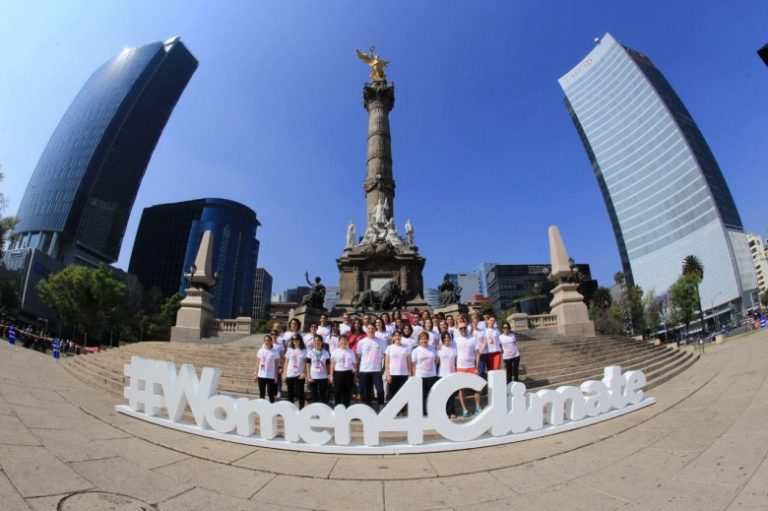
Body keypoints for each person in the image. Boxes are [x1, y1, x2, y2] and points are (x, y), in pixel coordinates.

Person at [454, 316, 482, 416]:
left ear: (467, 328)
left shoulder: (473, 339)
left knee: (477, 387)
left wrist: (477, 366)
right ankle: (464, 410)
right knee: (461, 389)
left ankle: (478, 407)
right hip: (460, 367)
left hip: (471, 367)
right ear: (458, 329)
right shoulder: (456, 340)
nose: (463, 329)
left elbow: (478, 353)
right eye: (461, 328)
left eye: (464, 327)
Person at [357, 325, 385, 409]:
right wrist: (357, 369)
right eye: (369, 328)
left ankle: (381, 406)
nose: (371, 330)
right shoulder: (362, 342)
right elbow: (358, 356)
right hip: (364, 370)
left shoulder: (381, 341)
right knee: (366, 392)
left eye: (372, 328)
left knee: (380, 390)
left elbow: (385, 355)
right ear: (366, 330)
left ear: (375, 330)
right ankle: (368, 409)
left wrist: (384, 368)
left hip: (376, 370)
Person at [411, 331, 438, 413]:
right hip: (420, 375)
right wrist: (414, 376)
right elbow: (413, 365)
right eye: (422, 339)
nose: (424, 340)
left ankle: (431, 411)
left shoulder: (433, 349)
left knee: (431, 394)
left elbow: (436, 360)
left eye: (425, 339)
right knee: (422, 394)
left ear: (428, 340)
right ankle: (423, 412)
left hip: (431, 375)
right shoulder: (416, 351)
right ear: (419, 340)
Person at [330, 335, 357, 407]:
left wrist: (355, 377)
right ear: (339, 342)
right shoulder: (335, 351)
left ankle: (346, 408)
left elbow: (354, 365)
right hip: (338, 373)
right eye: (342, 340)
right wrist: (331, 376)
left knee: (347, 393)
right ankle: (337, 408)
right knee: (337, 392)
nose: (343, 342)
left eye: (345, 340)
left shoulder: (351, 352)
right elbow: (332, 364)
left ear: (348, 341)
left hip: (348, 373)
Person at [384, 330, 412, 401]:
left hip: (403, 374)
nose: (397, 337)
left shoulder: (406, 347)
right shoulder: (389, 348)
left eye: (399, 336)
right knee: (392, 394)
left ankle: (402, 408)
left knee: (402, 394)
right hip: (392, 374)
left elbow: (409, 362)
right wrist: (388, 375)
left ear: (401, 337)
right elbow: (387, 363)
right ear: (393, 337)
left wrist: (409, 374)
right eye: (395, 336)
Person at [437, 331, 458, 418]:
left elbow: (456, 361)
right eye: (445, 337)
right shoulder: (439, 349)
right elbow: (436, 361)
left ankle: (452, 412)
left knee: (451, 394)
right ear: (442, 339)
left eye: (448, 337)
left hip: (452, 373)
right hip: (442, 374)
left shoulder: (454, 349)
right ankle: (444, 412)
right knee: (443, 395)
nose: (447, 339)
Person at [284, 334, 308, 408]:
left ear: (300, 340)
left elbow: (306, 363)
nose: (295, 340)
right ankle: (290, 410)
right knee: (290, 394)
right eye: (293, 339)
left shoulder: (304, 350)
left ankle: (301, 410)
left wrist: (304, 373)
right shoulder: (289, 349)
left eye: (296, 339)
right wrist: (284, 373)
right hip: (290, 374)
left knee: (300, 394)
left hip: (299, 375)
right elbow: (286, 362)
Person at [254, 335, 280, 403]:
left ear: (271, 341)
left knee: (270, 393)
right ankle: (262, 407)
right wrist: (255, 373)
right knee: (261, 393)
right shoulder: (260, 350)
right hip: (261, 375)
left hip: (270, 376)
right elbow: (257, 363)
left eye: (268, 341)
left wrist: (276, 376)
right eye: (265, 341)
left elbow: (276, 365)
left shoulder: (275, 351)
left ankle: (272, 407)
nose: (267, 342)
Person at [306, 334, 331, 404]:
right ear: (313, 342)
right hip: (313, 377)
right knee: (314, 396)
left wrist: (329, 375)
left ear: (321, 342)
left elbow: (328, 365)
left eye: (318, 340)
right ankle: (315, 410)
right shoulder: (310, 352)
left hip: (323, 377)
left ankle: (323, 409)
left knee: (323, 396)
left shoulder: (326, 353)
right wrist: (308, 376)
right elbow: (308, 365)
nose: (317, 342)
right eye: (315, 341)